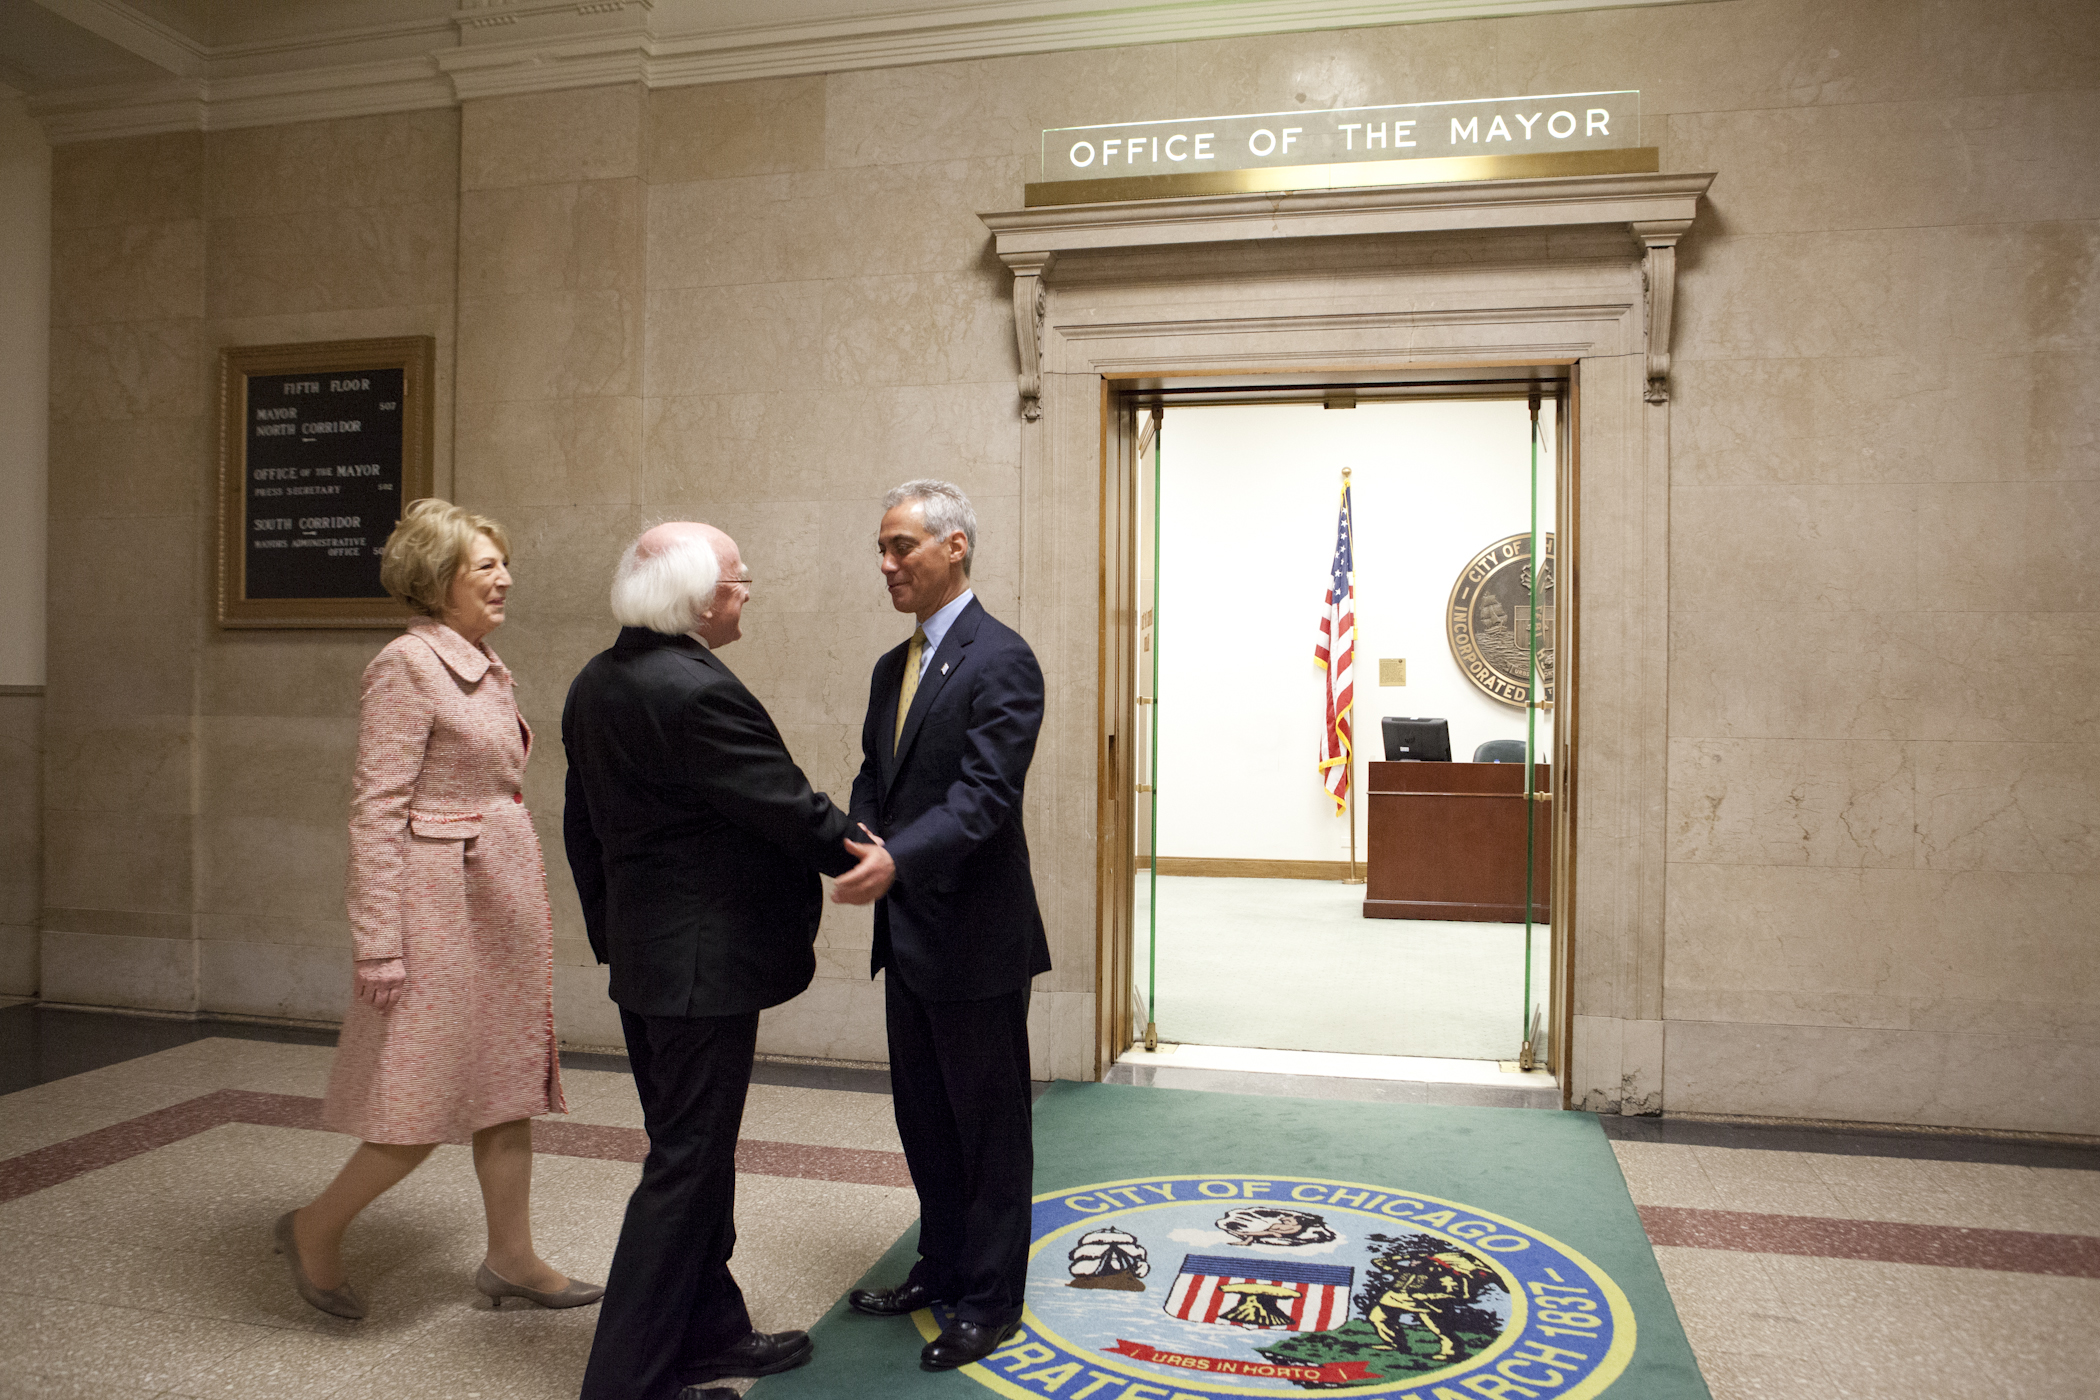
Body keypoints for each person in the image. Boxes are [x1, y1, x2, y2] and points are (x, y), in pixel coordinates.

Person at [565, 523, 885, 1400]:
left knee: (692, 1153)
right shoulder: (693, 692)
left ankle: (710, 1334)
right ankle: (625, 1382)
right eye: (741, 581)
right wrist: (873, 854)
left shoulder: (598, 680)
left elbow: (581, 830)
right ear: (703, 598)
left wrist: (615, 937)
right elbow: (783, 803)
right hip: (700, 972)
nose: (747, 593)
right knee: (684, 1166)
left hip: (648, 960)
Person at [280, 498, 601, 1321]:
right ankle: (315, 1230)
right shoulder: (408, 664)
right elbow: (375, 807)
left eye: (503, 562)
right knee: (418, 1096)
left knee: (504, 1086)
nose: (504, 577)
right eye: (484, 566)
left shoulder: (482, 661)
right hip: (437, 907)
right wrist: (379, 943)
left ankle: (513, 1258)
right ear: (437, 580)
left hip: (489, 899)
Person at [831, 479, 1052, 1371]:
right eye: (881, 549)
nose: (886, 564)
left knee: (989, 1131)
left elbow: (985, 798)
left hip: (976, 938)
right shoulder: (894, 666)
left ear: (954, 546)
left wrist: (900, 858)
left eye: (901, 547)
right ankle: (941, 1265)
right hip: (907, 937)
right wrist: (851, 837)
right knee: (925, 1120)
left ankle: (991, 1300)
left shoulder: (1003, 658)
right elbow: (871, 776)